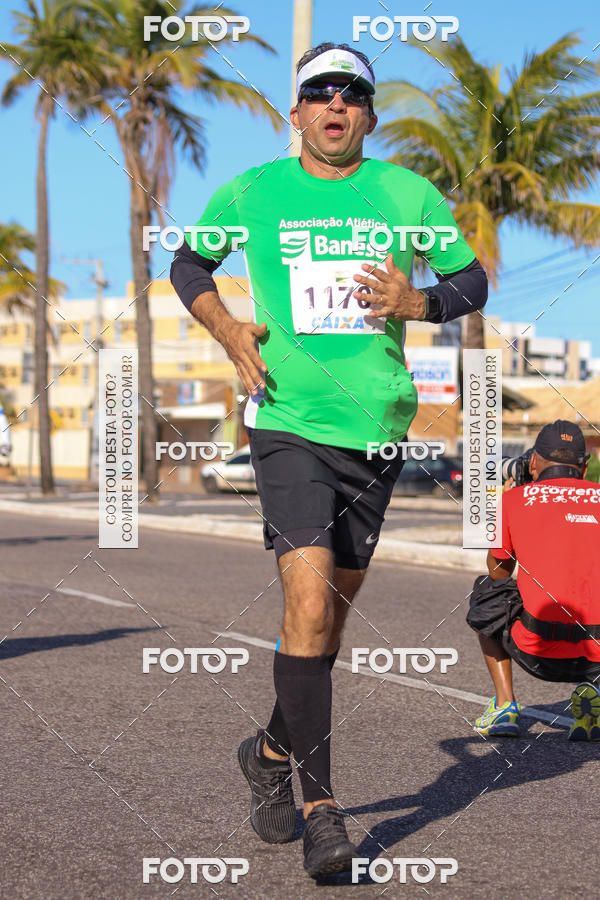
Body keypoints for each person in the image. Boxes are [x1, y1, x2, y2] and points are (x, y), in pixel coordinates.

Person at [171, 42, 487, 878]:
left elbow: (472, 281)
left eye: (351, 94)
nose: (335, 105)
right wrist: (229, 328)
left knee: (327, 622)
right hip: (286, 419)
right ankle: (321, 810)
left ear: (369, 114)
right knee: (306, 600)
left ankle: (272, 748)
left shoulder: (406, 193)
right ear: (298, 111)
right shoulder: (254, 191)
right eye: (319, 92)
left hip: (375, 433)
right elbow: (187, 260)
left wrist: (418, 300)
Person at [467, 420, 600, 741]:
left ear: (533, 462)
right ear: (584, 467)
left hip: (535, 648)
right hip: (596, 656)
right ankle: (593, 705)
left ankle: (505, 707)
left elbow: (499, 573)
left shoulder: (512, 500)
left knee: (486, 593)